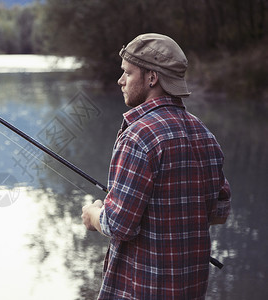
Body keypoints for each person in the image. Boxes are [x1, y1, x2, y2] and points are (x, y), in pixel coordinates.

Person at [81, 33, 231, 299]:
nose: (121, 80)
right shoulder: (205, 135)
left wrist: (94, 215)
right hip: (190, 290)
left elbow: (118, 225)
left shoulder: (138, 136)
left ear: (152, 78)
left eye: (127, 73)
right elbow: (219, 212)